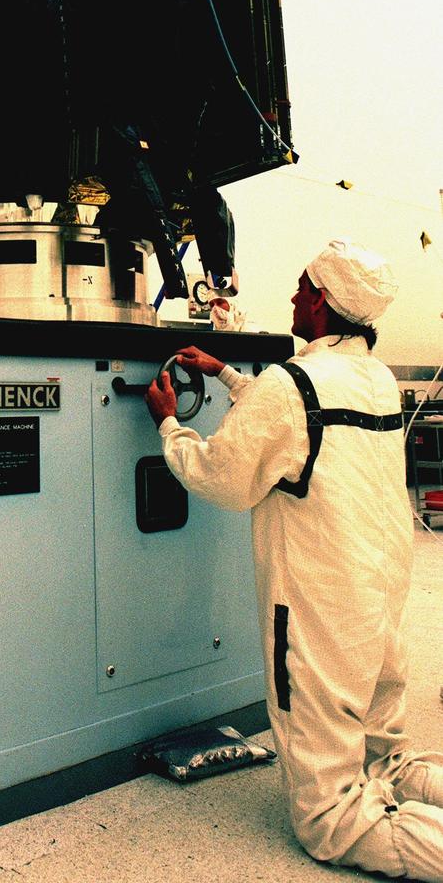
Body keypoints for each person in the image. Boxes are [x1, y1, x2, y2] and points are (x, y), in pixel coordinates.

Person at [145, 239, 443, 881]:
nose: (293, 296)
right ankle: (401, 778)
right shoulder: (377, 377)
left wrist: (169, 426)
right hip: (380, 596)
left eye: (303, 288)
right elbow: (303, 420)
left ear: (325, 303)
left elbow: (224, 476)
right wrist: (226, 376)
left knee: (330, 820)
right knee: (386, 753)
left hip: (317, 611)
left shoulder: (291, 383)